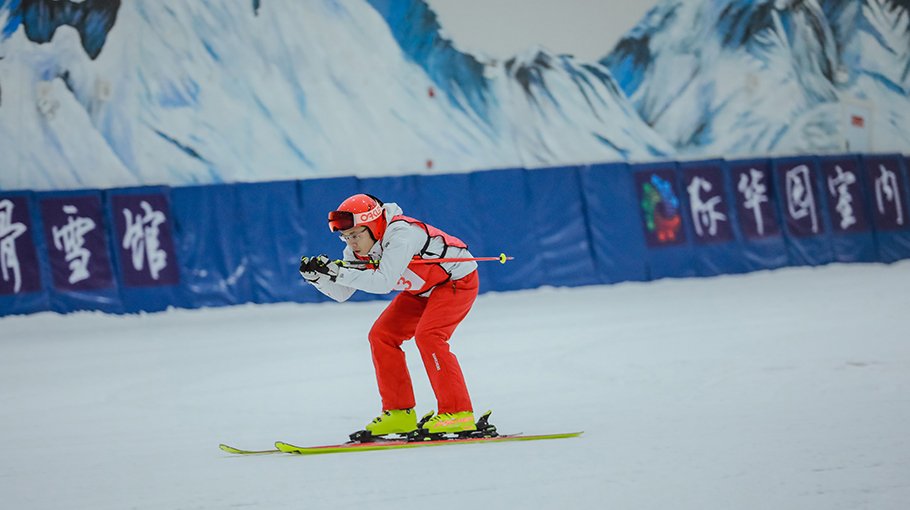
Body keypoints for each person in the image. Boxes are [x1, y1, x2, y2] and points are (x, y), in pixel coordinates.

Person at [299, 193, 480, 438]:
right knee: (381, 336)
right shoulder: (358, 248)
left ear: (373, 225)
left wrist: (338, 272)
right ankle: (399, 412)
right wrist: (319, 278)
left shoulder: (401, 234)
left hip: (455, 281)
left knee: (429, 337)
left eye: (355, 235)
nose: (350, 243)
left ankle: (459, 413)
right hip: (421, 289)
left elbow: (384, 282)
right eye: (346, 236)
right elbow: (342, 293)